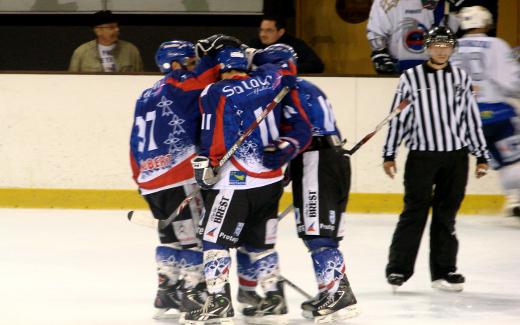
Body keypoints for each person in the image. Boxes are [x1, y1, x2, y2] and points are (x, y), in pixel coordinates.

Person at [185, 39, 312, 324]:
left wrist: (209, 163)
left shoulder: (215, 91)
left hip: (235, 181)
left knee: (214, 240)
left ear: (222, 69)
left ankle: (218, 301)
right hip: (270, 181)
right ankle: (274, 296)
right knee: (259, 244)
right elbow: (286, 70)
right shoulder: (272, 79)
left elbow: (212, 137)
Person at [251, 43, 360, 323]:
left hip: (315, 159)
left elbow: (299, 134)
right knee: (325, 233)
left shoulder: (285, 90)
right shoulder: (309, 86)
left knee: (318, 234)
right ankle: (331, 290)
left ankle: (337, 294)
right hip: (334, 157)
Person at [382, 26, 490, 292]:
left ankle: (444, 271)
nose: (441, 50)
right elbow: (397, 116)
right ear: (428, 47)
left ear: (452, 48)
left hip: (456, 157)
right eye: (436, 45)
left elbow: (471, 119)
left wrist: (481, 155)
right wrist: (389, 152)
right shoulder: (411, 78)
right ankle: (398, 270)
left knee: (446, 216)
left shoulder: (461, 78)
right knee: (413, 213)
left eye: (446, 45)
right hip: (422, 156)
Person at [129, 40, 220, 319]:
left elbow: (134, 140)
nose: (193, 67)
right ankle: (193, 294)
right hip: (177, 176)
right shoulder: (178, 86)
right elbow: (204, 81)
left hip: (150, 177)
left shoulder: (145, 95)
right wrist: (215, 58)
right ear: (176, 65)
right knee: (193, 238)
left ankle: (167, 289)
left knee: (170, 236)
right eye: (189, 62)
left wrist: (140, 178)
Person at [451, 6, 520, 216]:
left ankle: (514, 199)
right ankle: (516, 198)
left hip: (464, 120)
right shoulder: (496, 45)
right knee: (513, 160)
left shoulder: (451, 46)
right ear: (484, 22)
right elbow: (510, 82)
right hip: (496, 115)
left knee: (497, 161)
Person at [366, 0, 457, 74]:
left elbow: (451, 32)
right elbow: (376, 33)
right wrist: (381, 56)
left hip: (435, 69)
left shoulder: (442, 4)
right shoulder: (385, 2)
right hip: (398, 69)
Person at [69, 10, 143, 72]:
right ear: (98, 31)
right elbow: (71, 80)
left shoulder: (131, 50)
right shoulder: (81, 52)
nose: (117, 30)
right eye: (111, 27)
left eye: (117, 26)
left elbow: (141, 77)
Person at [247, 15, 325, 73]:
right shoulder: (254, 44)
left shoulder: (296, 44)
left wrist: (287, 68)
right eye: (261, 30)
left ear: (281, 32)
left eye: (269, 30)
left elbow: (317, 65)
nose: (262, 34)